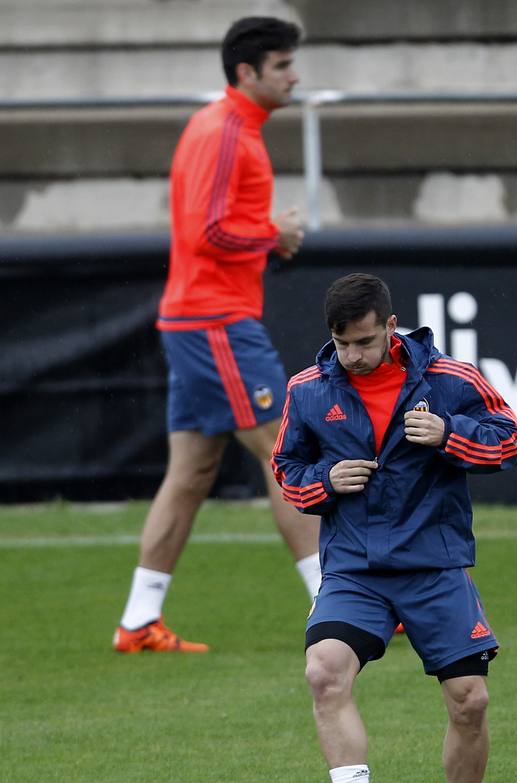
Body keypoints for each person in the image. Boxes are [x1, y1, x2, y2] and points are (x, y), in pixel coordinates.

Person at [272, 273, 517, 783]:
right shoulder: (308, 389)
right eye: (342, 345)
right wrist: (324, 482)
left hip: (435, 565)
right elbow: (287, 468)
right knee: (324, 672)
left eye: (364, 342)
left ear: (392, 327)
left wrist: (449, 434)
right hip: (354, 569)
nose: (353, 356)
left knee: (471, 700)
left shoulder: (450, 380)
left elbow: (511, 440)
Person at [113, 17, 320, 653]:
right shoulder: (228, 132)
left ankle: (138, 622)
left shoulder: (224, 127)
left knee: (192, 471)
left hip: (196, 319)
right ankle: (339, 604)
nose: (294, 76)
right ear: (246, 73)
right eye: (282, 65)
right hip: (216, 322)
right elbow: (208, 231)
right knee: (285, 453)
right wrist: (272, 235)